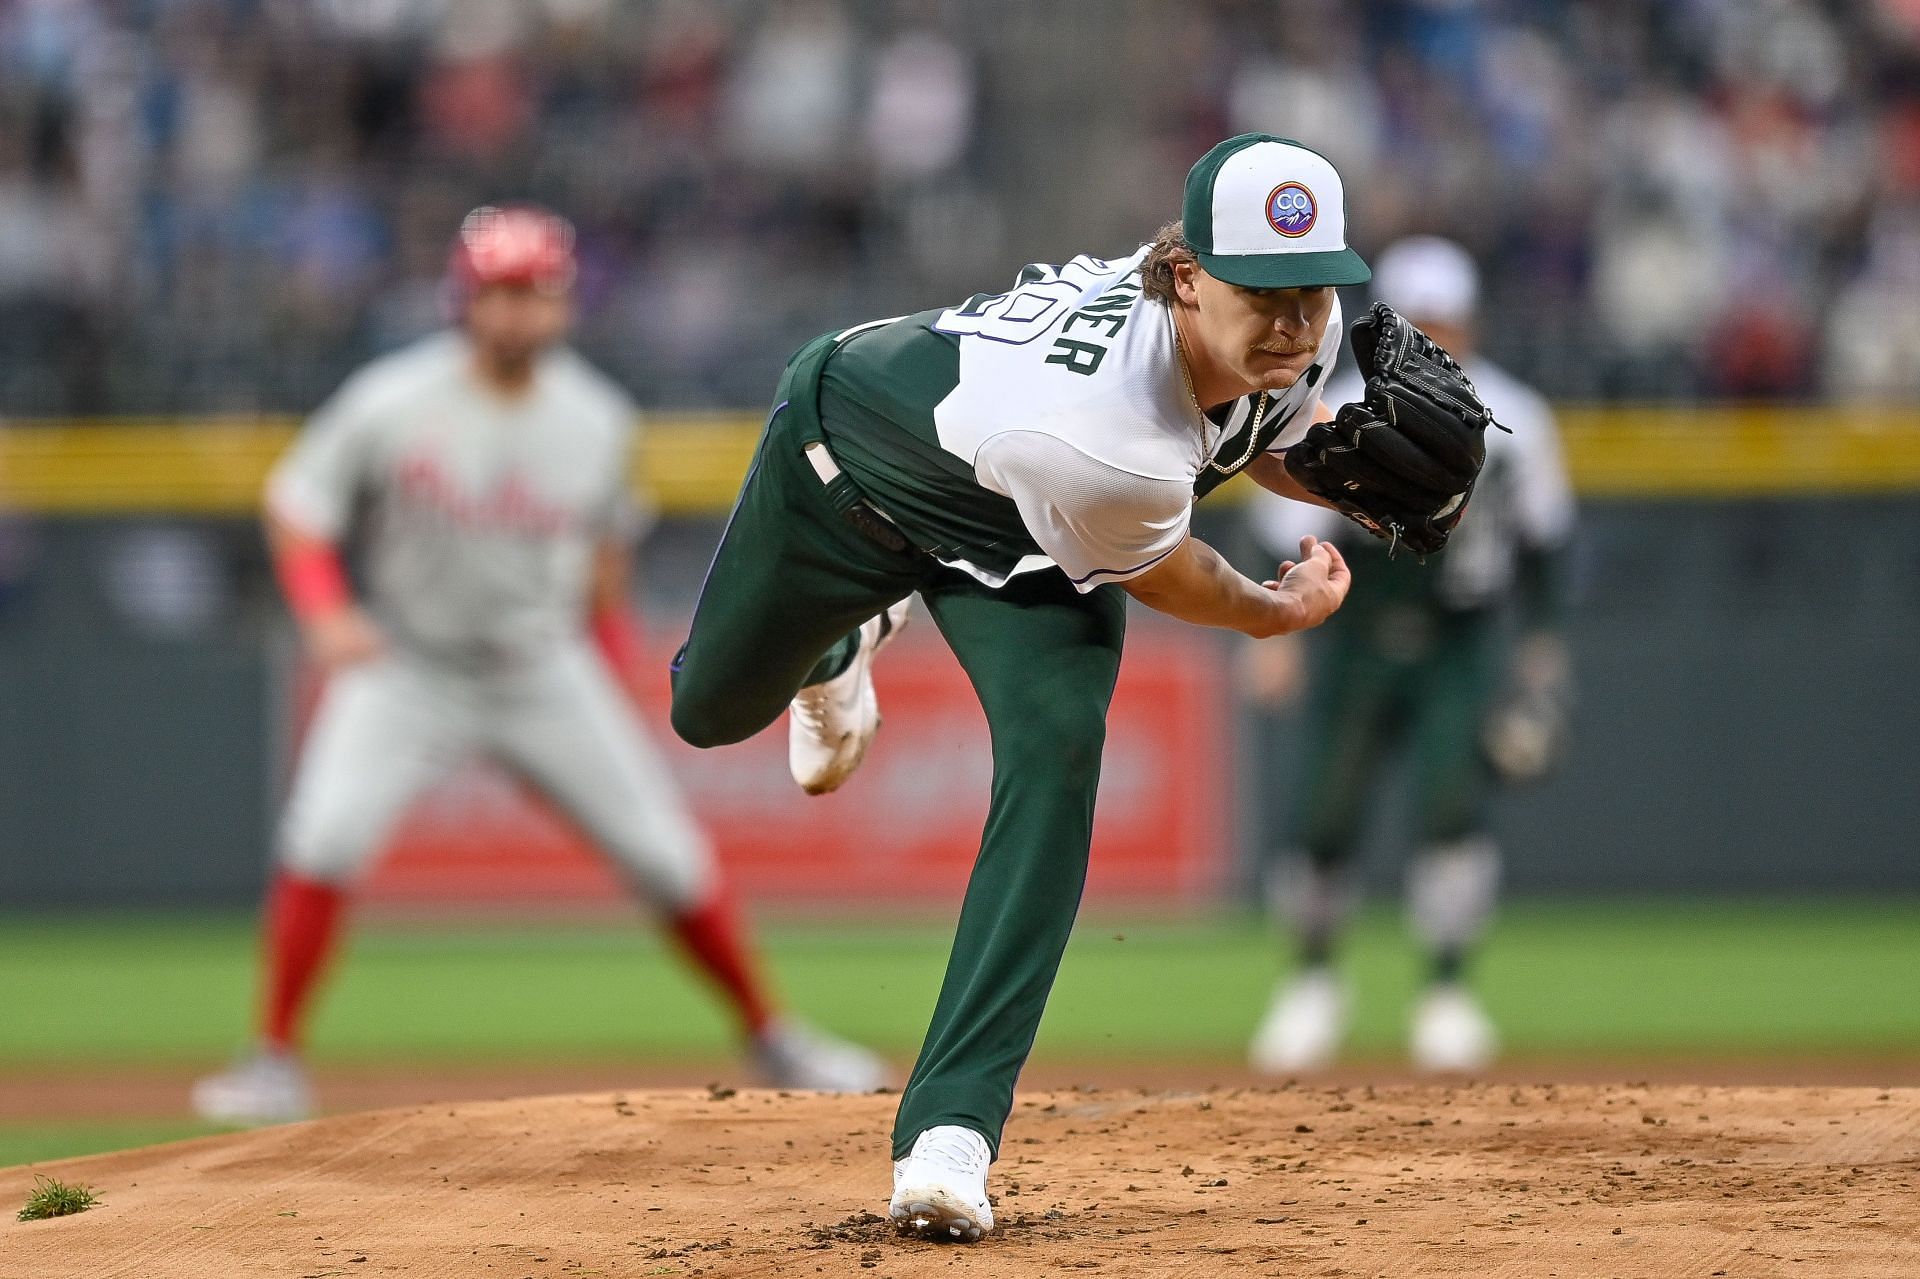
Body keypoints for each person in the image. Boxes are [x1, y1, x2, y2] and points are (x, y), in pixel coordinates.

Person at [668, 134, 1388, 1242]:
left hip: (1021, 527)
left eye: (1314, 287)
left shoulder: (1294, 338)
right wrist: (1274, 607)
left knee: (1057, 752)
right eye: (1263, 289)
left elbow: (1265, 436)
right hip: (849, 464)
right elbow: (1180, 573)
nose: (1295, 320)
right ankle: (838, 646)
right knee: (707, 713)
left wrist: (1364, 479)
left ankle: (951, 1132)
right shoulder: (1109, 443)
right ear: (1186, 276)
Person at [191, 205, 885, 1128]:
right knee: (322, 839)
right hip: (411, 663)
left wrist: (608, 654)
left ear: (564, 303)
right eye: (502, 292)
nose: (520, 312)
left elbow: (606, 551)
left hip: (538, 665)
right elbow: (298, 503)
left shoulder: (594, 416)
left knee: (668, 858)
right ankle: (272, 1058)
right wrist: (326, 615)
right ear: (465, 299)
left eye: (538, 292)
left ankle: (773, 1033)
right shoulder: (392, 399)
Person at [1242, 235, 1577, 1076]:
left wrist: (1541, 651)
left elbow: (1546, 544)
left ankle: (1448, 989)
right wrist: (1270, 630)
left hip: (1455, 638)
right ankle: (1312, 984)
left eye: (1445, 322)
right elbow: (1285, 530)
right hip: (1353, 636)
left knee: (1451, 813)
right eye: (1418, 323)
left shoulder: (1518, 419)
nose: (1434, 338)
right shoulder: (1331, 409)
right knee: (1321, 819)